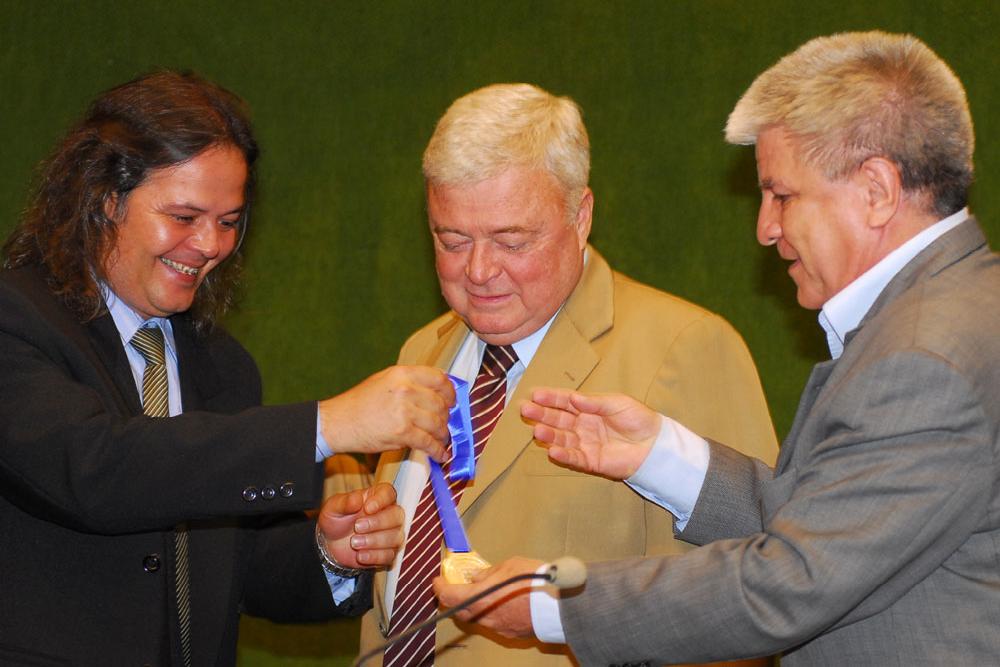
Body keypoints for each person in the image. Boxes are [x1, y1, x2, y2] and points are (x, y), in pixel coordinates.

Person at [434, 31, 1000, 665]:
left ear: (877, 190)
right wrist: (660, 456)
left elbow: (789, 582)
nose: (765, 228)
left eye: (782, 196)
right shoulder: (959, 309)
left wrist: (553, 605)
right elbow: (824, 526)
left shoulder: (923, 356)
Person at [0, 70, 455, 666]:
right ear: (106, 200)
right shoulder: (15, 318)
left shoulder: (223, 366)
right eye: (184, 217)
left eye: (229, 221)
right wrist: (326, 426)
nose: (210, 245)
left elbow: (240, 565)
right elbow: (96, 469)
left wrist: (329, 553)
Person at [358, 83, 778, 666]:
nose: (478, 270)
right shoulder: (422, 350)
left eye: (511, 241)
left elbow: (746, 602)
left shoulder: (686, 348)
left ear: (581, 217)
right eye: (451, 240)